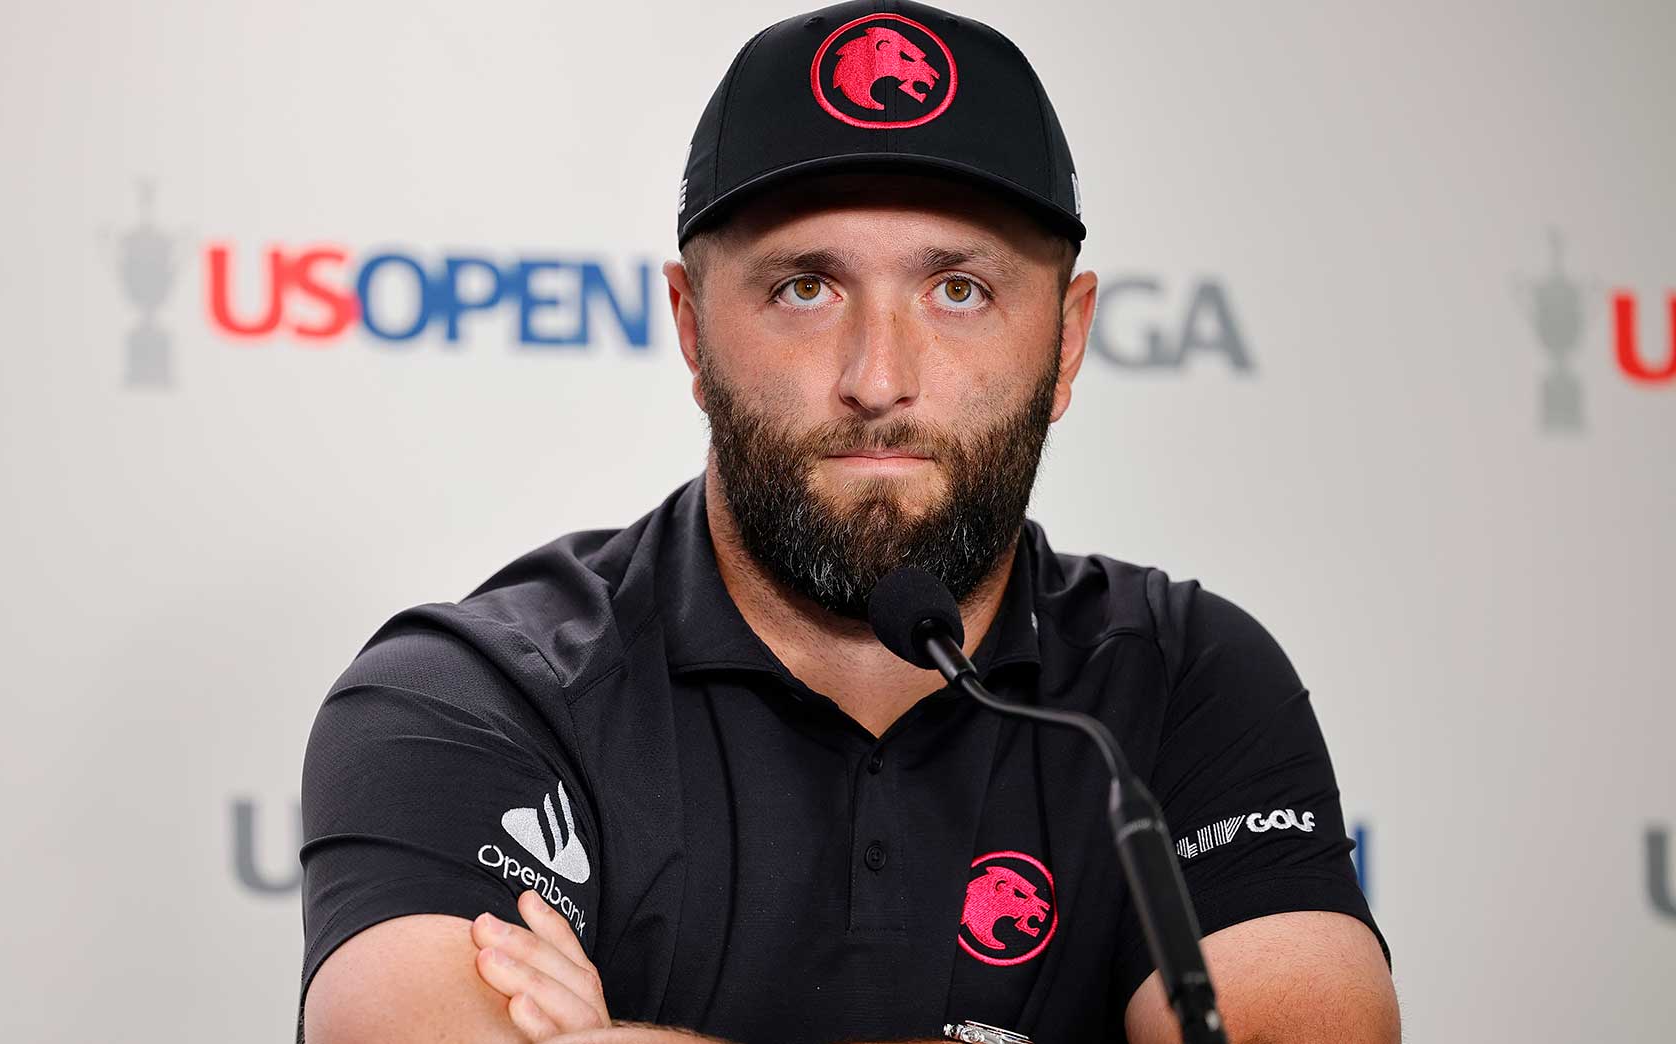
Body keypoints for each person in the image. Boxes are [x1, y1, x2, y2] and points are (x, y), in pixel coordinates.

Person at [297, 2, 1399, 1042]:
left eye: (958, 289)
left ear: (1065, 342)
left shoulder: (1176, 682)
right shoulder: (481, 692)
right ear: (690, 331)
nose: (879, 379)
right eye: (803, 288)